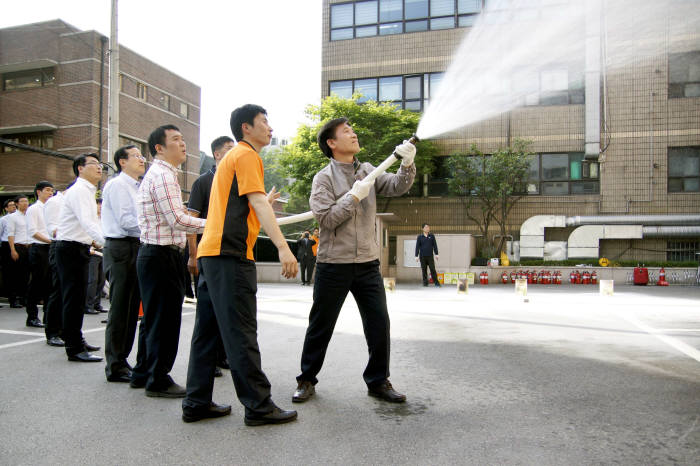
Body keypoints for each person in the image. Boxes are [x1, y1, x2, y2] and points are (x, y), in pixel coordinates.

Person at [182, 104, 298, 426]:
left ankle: (196, 402)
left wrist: (262, 205)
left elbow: (244, 205)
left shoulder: (232, 160)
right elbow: (257, 203)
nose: (270, 128)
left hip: (212, 253)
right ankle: (259, 406)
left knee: (207, 334)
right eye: (264, 122)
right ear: (246, 128)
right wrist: (283, 248)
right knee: (241, 331)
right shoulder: (246, 155)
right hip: (230, 256)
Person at [292, 118, 416, 404]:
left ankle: (378, 381)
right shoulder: (322, 178)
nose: (353, 134)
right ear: (331, 143)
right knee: (321, 326)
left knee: (378, 323)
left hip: (367, 264)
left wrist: (407, 165)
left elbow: (397, 186)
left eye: (352, 130)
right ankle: (306, 379)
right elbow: (326, 219)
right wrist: (353, 197)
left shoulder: (370, 170)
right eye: (346, 132)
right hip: (333, 264)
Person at [131, 125, 206, 398]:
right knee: (164, 321)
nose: (183, 144)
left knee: (153, 319)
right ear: (159, 148)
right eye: (176, 139)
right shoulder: (163, 176)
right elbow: (178, 219)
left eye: (183, 139)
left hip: (155, 255)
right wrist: (217, 225)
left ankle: (144, 373)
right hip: (161, 256)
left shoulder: (160, 175)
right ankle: (158, 380)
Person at [186, 135, 236, 377]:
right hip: (208, 253)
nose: (233, 153)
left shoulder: (234, 179)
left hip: (229, 255)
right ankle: (209, 361)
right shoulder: (203, 182)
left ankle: (221, 355)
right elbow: (191, 220)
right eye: (228, 149)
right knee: (207, 312)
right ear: (217, 154)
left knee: (224, 309)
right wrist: (193, 255)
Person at [55, 154, 105, 362]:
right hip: (70, 249)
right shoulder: (79, 191)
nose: (99, 168)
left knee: (77, 298)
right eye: (93, 164)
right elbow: (87, 222)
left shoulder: (87, 191)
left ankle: (76, 338)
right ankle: (74, 348)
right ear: (80, 169)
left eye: (100, 165)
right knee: (73, 299)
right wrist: (106, 243)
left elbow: (92, 223)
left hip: (80, 248)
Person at [102, 145, 146, 382]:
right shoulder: (118, 185)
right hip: (121, 248)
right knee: (120, 309)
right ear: (122, 162)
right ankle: (115, 365)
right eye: (137, 156)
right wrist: (153, 226)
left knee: (131, 309)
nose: (142, 160)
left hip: (133, 246)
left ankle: (122, 360)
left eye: (142, 156)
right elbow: (127, 221)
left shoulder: (136, 186)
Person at [26, 182, 54, 328]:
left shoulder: (51, 208)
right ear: (39, 192)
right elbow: (33, 231)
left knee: (50, 284)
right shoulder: (34, 209)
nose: (50, 193)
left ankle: (48, 317)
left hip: (51, 248)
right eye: (47, 190)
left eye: (52, 191)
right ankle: (31, 316)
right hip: (38, 249)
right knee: (36, 283)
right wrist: (50, 240)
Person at [43, 190, 65, 347]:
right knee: (58, 291)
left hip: (73, 246)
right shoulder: (55, 202)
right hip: (59, 245)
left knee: (69, 294)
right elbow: (53, 230)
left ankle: (65, 332)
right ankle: (52, 332)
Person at [7, 195, 32, 317]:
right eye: (22, 201)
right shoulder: (12, 217)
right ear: (16, 204)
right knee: (16, 274)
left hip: (29, 247)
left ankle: (24, 298)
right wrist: (12, 249)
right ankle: (14, 298)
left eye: (26, 201)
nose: (25, 203)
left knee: (26, 274)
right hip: (18, 246)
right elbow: (10, 234)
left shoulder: (29, 216)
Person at [85, 199, 106, 315]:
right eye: (99, 206)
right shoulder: (91, 220)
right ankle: (88, 305)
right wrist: (93, 242)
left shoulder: (104, 219)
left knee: (101, 279)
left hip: (103, 249)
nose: (100, 208)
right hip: (93, 249)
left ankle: (97, 304)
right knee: (93, 279)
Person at [0, 199, 17, 305]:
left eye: (14, 205)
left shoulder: (22, 217)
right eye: (11, 205)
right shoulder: (3, 220)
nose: (13, 207)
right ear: (6, 208)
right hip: (6, 246)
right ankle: (12, 298)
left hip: (18, 244)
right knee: (9, 272)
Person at [415, 223, 440, 287]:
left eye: (428, 227)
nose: (427, 228)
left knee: (432, 269)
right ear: (423, 229)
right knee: (424, 270)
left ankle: (436, 282)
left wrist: (436, 254)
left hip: (430, 256)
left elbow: (435, 245)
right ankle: (425, 283)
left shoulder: (432, 236)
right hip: (422, 256)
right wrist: (416, 256)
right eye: (426, 227)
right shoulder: (419, 237)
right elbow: (417, 247)